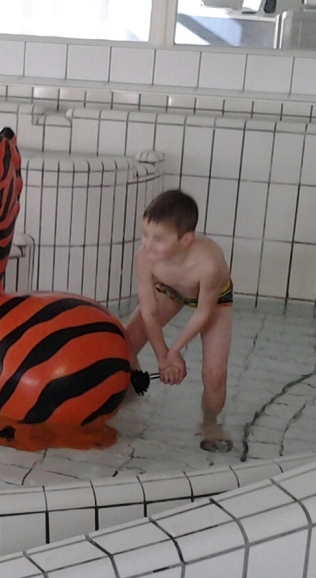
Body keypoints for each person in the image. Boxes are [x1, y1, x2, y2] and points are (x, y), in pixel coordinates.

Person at [123, 189, 234, 453]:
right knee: (123, 345)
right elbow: (149, 312)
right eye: (145, 234)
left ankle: (210, 423)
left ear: (186, 240)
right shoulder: (144, 257)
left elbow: (203, 313)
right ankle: (129, 398)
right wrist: (162, 356)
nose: (148, 244)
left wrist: (174, 351)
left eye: (158, 239)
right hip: (169, 290)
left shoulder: (208, 264)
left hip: (214, 301)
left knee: (214, 374)